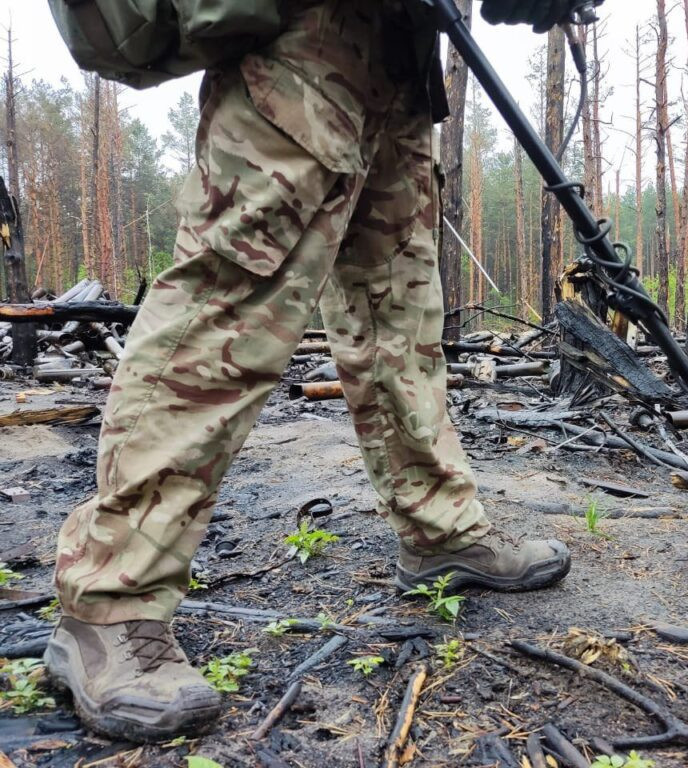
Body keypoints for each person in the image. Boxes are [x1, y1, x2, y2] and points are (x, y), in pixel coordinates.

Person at [45, 0, 578, 743]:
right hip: (305, 31)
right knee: (235, 298)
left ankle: (440, 531)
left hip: (399, 48)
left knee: (400, 311)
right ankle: (111, 601)